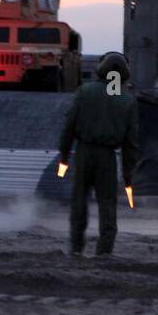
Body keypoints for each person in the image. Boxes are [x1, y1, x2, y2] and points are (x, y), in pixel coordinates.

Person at [57, 52, 140, 256]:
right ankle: (104, 251)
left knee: (79, 202)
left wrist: (64, 157)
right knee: (107, 204)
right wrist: (128, 175)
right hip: (107, 157)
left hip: (84, 152)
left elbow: (69, 127)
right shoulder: (127, 101)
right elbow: (131, 143)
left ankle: (76, 248)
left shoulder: (84, 91)